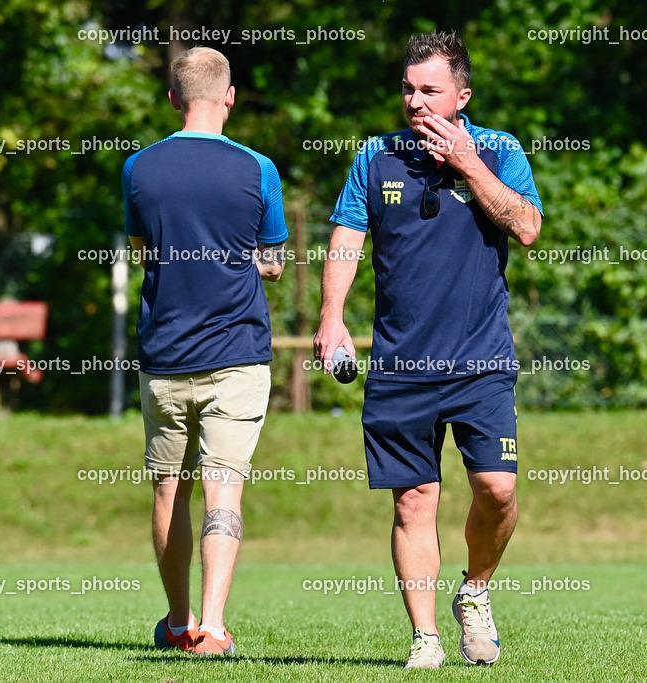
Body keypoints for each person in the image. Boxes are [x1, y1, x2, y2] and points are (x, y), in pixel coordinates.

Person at [313, 31, 543, 669]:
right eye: (409, 90)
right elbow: (347, 237)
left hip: (482, 361)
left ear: (461, 96)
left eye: (430, 91)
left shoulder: (500, 151)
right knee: (414, 499)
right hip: (399, 363)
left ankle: (474, 592)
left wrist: (469, 164)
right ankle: (426, 638)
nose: (415, 102)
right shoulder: (376, 156)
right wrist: (333, 318)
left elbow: (526, 227)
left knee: (496, 489)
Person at [122, 46, 288, 657]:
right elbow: (270, 262)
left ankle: (176, 620)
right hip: (237, 353)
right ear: (230, 97)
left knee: (170, 488)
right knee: (224, 488)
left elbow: (145, 247)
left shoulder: (138, 168)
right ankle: (214, 627)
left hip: (165, 354)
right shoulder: (258, 168)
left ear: (173, 99)